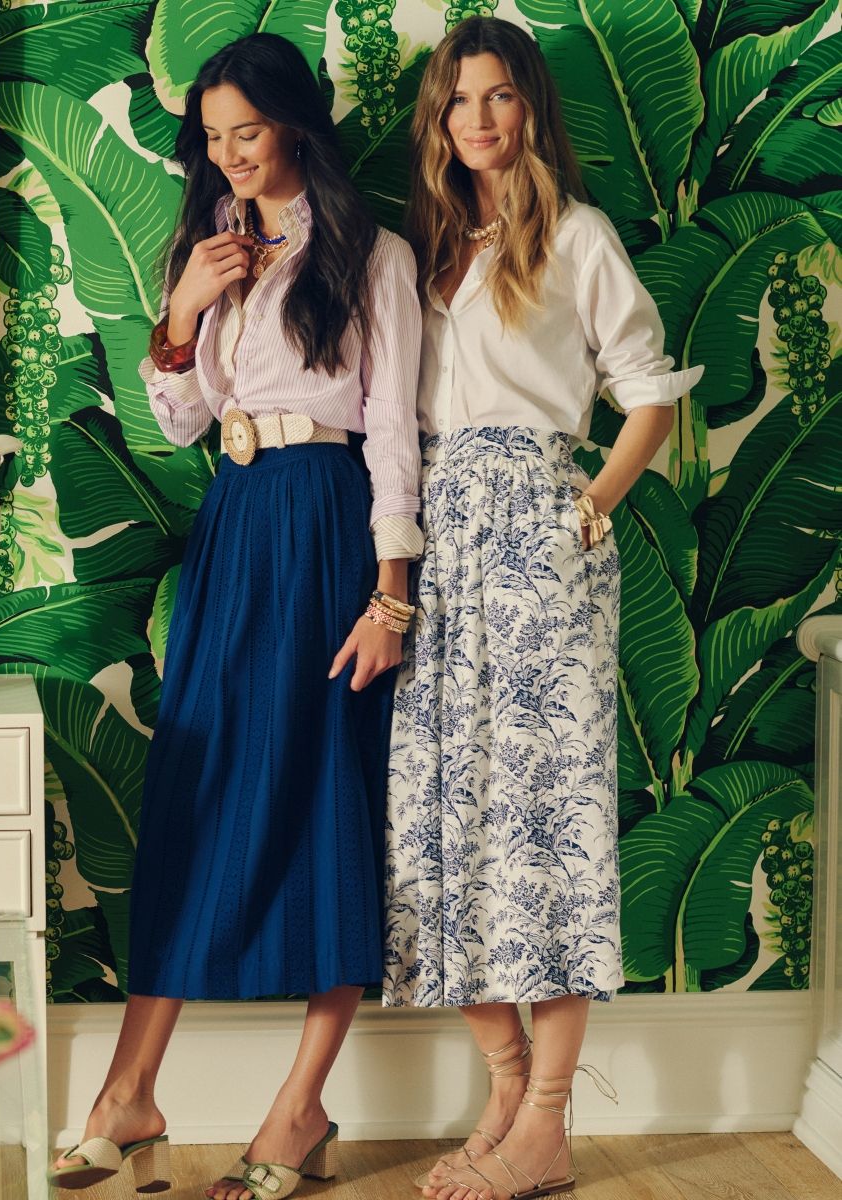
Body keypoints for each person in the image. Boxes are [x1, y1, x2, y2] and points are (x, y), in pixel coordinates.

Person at [49, 32, 423, 1200]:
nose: (228, 157)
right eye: (211, 141)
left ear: (295, 125)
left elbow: (398, 435)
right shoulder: (212, 248)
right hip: (234, 526)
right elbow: (177, 422)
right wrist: (182, 307)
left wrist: (390, 597)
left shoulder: (375, 253)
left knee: (325, 797)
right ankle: (130, 1094)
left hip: (327, 523)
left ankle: (299, 1110)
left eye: (245, 133)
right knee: (193, 795)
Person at [383, 16, 703, 1200]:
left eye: (500, 95)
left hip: (537, 539)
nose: (479, 118)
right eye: (459, 100)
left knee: (542, 824)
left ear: (532, 108)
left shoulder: (578, 236)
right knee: (441, 817)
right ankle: (507, 1088)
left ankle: (554, 1116)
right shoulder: (431, 252)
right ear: (440, 121)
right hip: (440, 553)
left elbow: (649, 395)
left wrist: (592, 507)